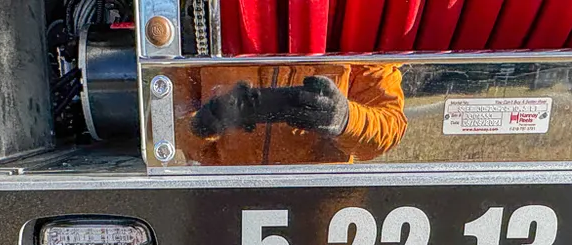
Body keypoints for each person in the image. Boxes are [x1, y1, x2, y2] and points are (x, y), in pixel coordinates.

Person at [173, 63, 407, 166]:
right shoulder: (209, 19)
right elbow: (166, 130)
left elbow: (391, 125)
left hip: (319, 210)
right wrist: (201, 125)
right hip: (223, 204)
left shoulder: (350, 23)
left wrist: (346, 118)